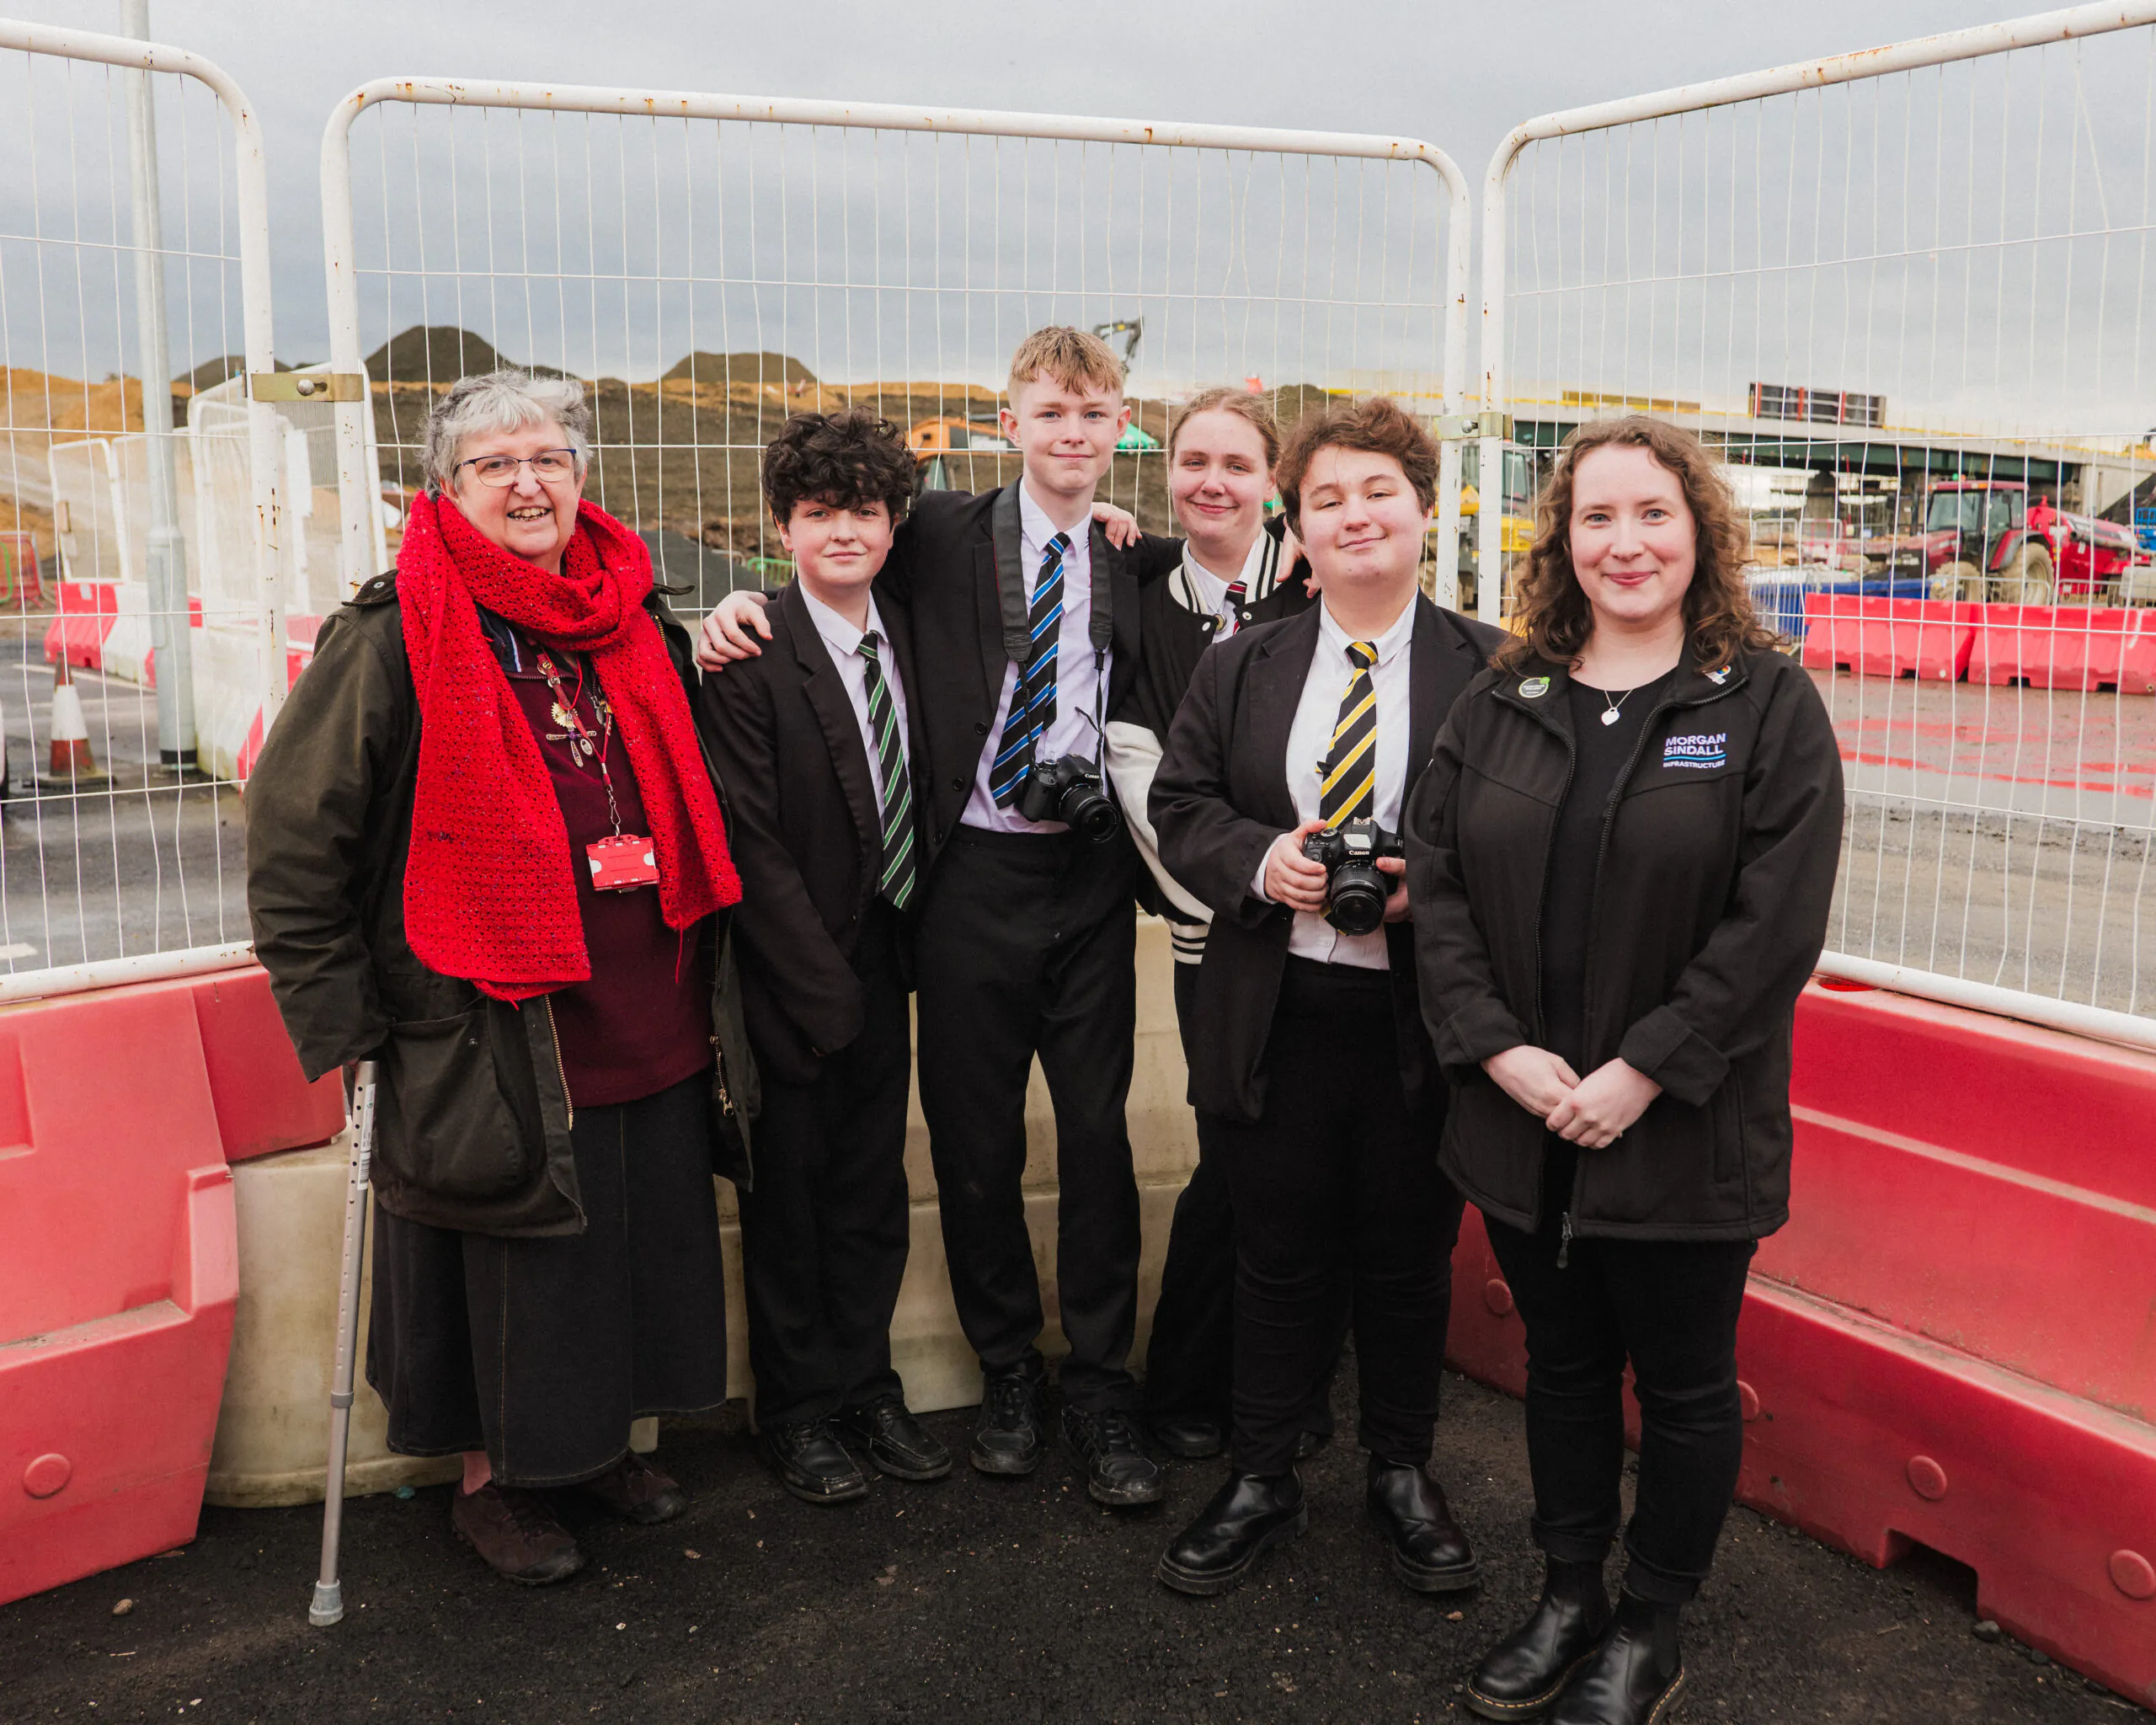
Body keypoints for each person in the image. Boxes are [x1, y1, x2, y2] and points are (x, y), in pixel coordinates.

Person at [246, 370, 750, 1587]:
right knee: (500, 1248)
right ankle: (493, 1483)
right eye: (496, 464)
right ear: (447, 489)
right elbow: (296, 837)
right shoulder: (391, 636)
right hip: (484, 1022)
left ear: (581, 478)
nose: (529, 482)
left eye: (550, 460)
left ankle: (599, 1450)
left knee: (631, 1240)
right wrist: (350, 1025)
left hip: (649, 1004)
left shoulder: (635, 619)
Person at [696, 328, 1183, 1508]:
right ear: (1006, 423)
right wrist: (720, 611)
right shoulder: (941, 537)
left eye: (1095, 414)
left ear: (1121, 427)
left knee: (1100, 1140)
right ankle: (1010, 1369)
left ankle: (1102, 1383)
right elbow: (825, 564)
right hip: (969, 881)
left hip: (1091, 881)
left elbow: (1241, 571)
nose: (1073, 435)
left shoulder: (1138, 558)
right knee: (974, 1146)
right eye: (1050, 414)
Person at [1406, 415, 1844, 1723]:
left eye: (1651, 513)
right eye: (1596, 518)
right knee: (1563, 1368)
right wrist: (1496, 1048)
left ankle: (1651, 1625)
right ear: (1563, 540)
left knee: (1688, 1381)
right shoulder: (1507, 693)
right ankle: (1568, 1594)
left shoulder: (1763, 703)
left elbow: (1776, 925)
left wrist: (1647, 1069)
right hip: (1525, 1113)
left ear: (1698, 527)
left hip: (1681, 1128)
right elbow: (1438, 884)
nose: (1624, 543)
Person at [1149, 396, 1501, 1596]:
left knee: (1408, 1257)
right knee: (1276, 1250)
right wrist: (1262, 862)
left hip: (1420, 1017)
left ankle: (1401, 1470)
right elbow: (1180, 803)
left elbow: (1525, 843)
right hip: (1277, 1007)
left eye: (1378, 493)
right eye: (1327, 500)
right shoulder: (1245, 661)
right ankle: (1260, 1476)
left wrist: (1429, 892)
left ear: (1423, 507)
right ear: (1296, 524)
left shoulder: (1496, 669)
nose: (1355, 516)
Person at [699, 409, 948, 1504]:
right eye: (817, 515)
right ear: (782, 528)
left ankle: (865, 1382)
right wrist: (824, 993)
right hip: (797, 981)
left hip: (891, 964)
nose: (843, 532)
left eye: (864, 511)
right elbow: (749, 843)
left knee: (871, 1190)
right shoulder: (751, 657)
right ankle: (795, 1409)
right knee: (790, 1198)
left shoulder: (914, 634)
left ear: (895, 521)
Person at [1100, 387, 1322, 1461]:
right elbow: (1137, 767)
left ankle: (1285, 1385)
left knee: (1315, 1160)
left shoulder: (1316, 583)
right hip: (1219, 928)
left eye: (1237, 463)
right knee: (1235, 1153)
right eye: (1193, 460)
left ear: (1271, 481)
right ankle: (1189, 1386)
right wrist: (1239, 882)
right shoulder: (1141, 591)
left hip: (1342, 932)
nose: (1212, 482)